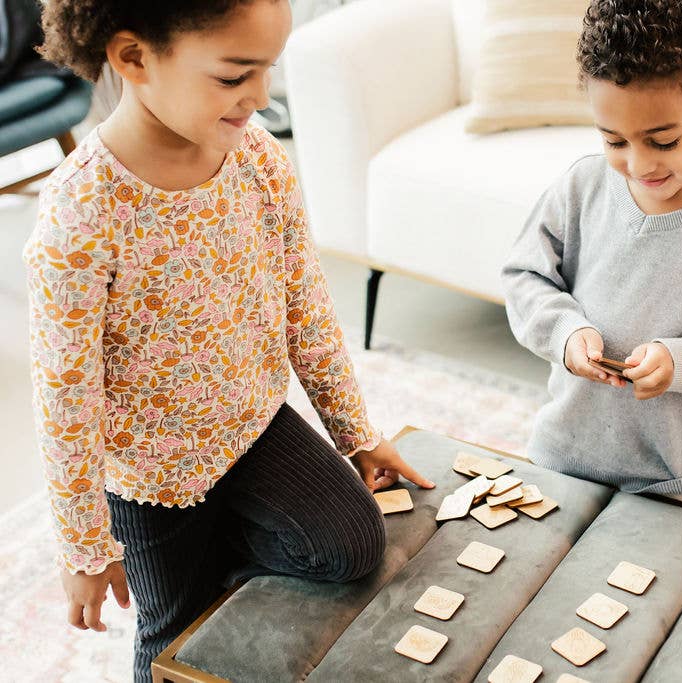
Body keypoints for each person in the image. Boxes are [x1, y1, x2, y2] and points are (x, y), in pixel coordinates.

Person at [25, 2, 433, 680]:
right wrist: (85, 549)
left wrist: (354, 433)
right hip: (151, 476)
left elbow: (306, 304)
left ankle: (223, 551)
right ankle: (203, 565)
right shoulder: (81, 213)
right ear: (133, 59)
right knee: (175, 640)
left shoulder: (259, 160)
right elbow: (65, 401)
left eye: (266, 70)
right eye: (234, 75)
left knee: (357, 543)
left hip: (252, 424)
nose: (261, 96)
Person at [502, 0, 682, 505]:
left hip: (671, 479)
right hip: (562, 454)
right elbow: (525, 277)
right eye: (614, 140)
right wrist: (566, 333)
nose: (638, 165)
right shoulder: (581, 186)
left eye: (663, 141)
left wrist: (681, 362)